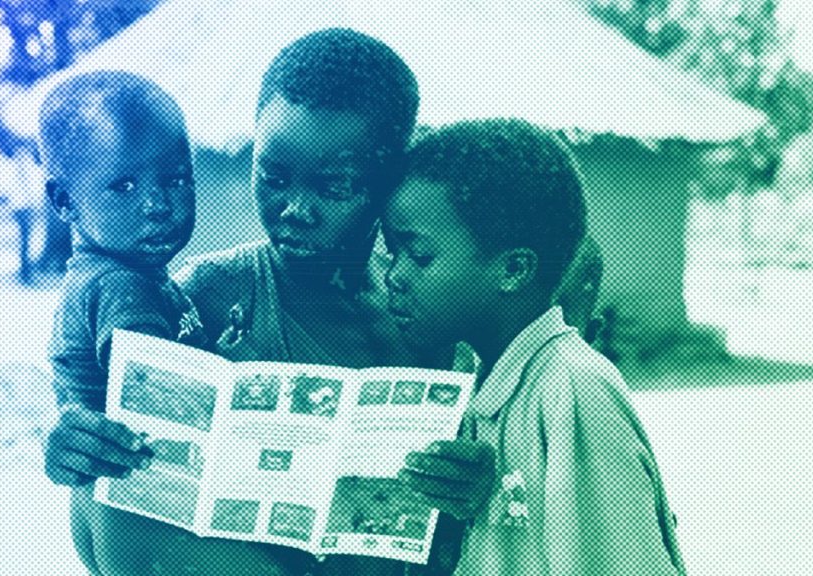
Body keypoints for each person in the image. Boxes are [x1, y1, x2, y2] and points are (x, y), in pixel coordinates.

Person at [44, 29, 487, 576]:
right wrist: (75, 440)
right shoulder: (206, 299)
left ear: (389, 177)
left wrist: (476, 481)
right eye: (273, 178)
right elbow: (123, 502)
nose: (295, 210)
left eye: (334, 187)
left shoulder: (433, 305)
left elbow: (498, 481)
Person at [385, 119, 687, 575]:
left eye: (420, 256)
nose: (395, 276)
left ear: (513, 270)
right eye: (393, 254)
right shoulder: (487, 385)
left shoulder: (572, 389)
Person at [39, 70, 211, 573]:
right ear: (64, 201)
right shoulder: (122, 287)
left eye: (176, 179)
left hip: (102, 504)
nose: (158, 206)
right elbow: (166, 397)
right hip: (141, 505)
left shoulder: (102, 275)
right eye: (125, 185)